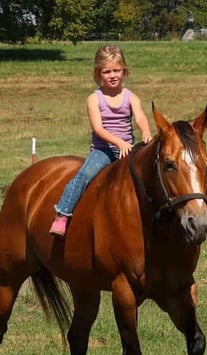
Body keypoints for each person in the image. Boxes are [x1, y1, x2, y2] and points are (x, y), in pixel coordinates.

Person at [49, 44, 152, 238]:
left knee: (149, 174)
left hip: (127, 149)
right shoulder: (94, 99)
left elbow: (140, 117)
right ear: (98, 74)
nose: (112, 75)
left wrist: (146, 131)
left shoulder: (131, 97)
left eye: (116, 70)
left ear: (124, 71)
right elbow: (98, 128)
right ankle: (63, 213)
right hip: (103, 150)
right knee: (84, 175)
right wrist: (118, 142)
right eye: (106, 71)